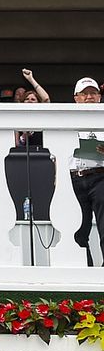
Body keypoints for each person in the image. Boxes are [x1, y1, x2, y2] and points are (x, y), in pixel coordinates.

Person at [70, 77, 104, 266]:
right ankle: (85, 269)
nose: (89, 97)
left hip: (100, 175)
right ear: (76, 98)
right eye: (84, 94)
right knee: (78, 227)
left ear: (99, 96)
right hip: (75, 177)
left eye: (93, 93)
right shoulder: (66, 118)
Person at [16, 68, 50, 148]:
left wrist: (31, 79)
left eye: (33, 99)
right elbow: (16, 144)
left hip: (41, 154)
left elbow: (46, 99)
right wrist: (24, 136)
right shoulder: (18, 118)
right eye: (27, 99)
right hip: (22, 156)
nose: (29, 101)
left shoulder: (42, 116)